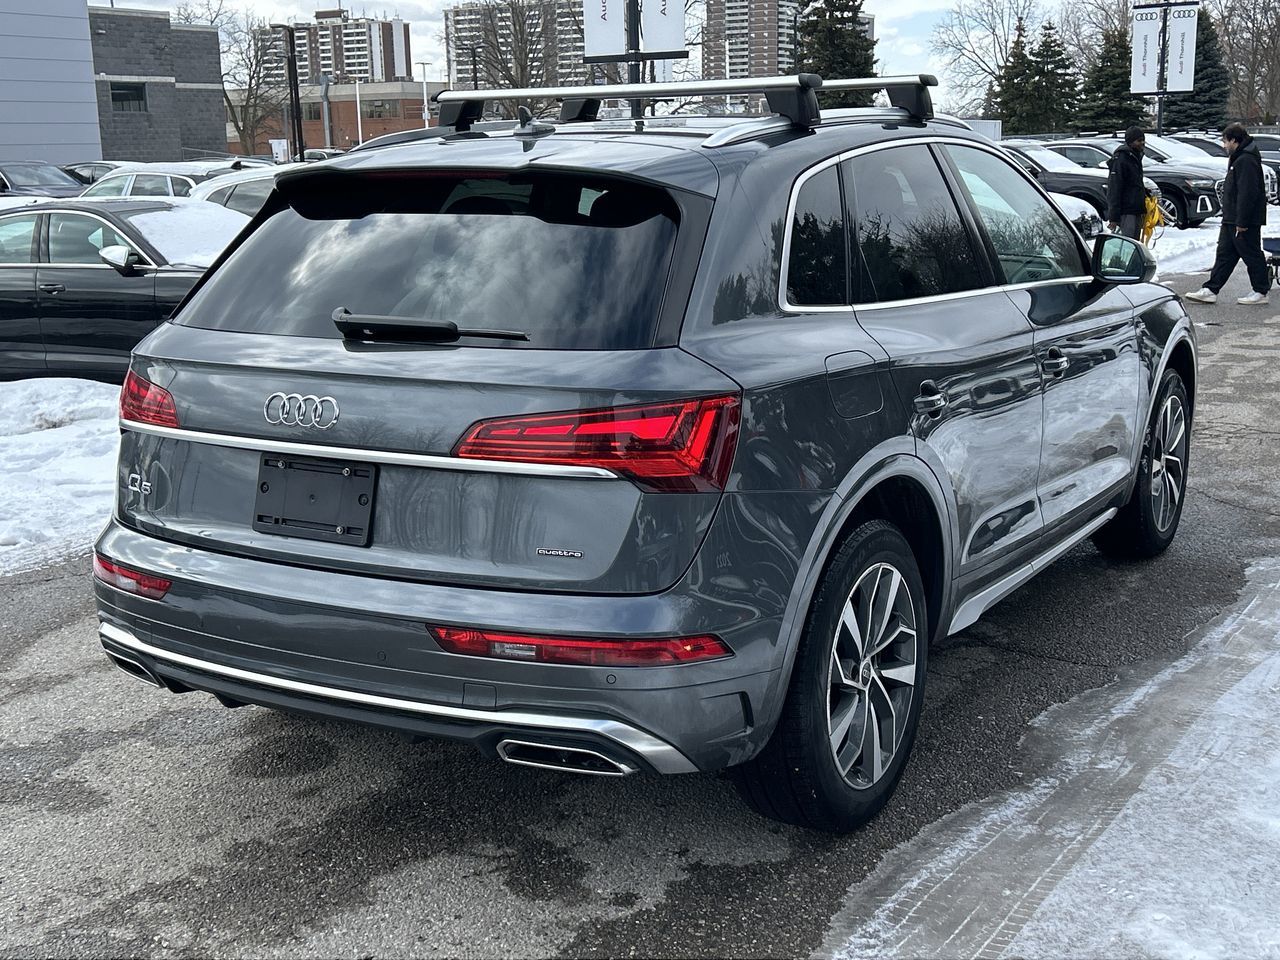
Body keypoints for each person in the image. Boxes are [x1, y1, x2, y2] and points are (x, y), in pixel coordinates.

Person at [1186, 122, 1271, 306]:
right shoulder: (1239, 157)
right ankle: (1210, 289)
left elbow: (1247, 193)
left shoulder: (1246, 160)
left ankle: (1261, 291)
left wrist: (1242, 220)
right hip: (1232, 217)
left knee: (1251, 253)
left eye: (1225, 142)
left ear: (1234, 140)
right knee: (1225, 253)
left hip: (1244, 219)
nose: (1224, 146)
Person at [1107, 127, 1147, 240]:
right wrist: (1113, 217)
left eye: (1143, 140)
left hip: (1136, 210)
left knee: (1135, 243)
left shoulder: (1135, 157)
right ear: (1130, 142)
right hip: (1126, 212)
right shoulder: (1121, 159)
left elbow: (1134, 183)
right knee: (1127, 243)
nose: (1142, 143)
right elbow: (1114, 189)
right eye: (1139, 140)